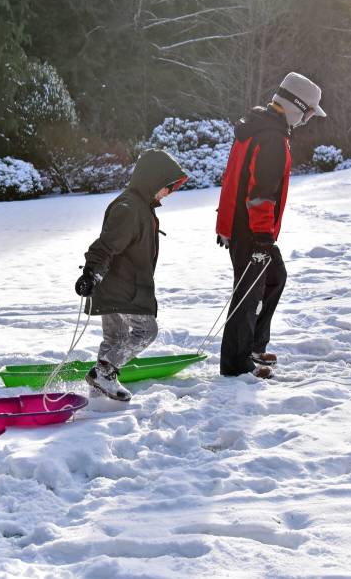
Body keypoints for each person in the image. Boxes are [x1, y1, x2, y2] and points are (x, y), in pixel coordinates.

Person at [215, 72, 327, 379]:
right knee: (248, 294)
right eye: (308, 113)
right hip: (252, 230)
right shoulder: (272, 139)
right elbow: (260, 194)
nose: (307, 119)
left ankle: (252, 345)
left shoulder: (257, 128)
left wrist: (227, 225)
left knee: (275, 277)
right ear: (296, 107)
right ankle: (237, 366)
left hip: (243, 227)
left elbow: (233, 180)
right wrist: (262, 239)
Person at [74, 149, 188, 401]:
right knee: (146, 331)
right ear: (153, 180)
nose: (169, 193)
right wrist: (91, 273)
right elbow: (105, 245)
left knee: (116, 338)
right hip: (121, 287)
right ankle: (104, 372)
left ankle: (99, 390)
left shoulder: (140, 206)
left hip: (114, 284)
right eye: (168, 187)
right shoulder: (129, 208)